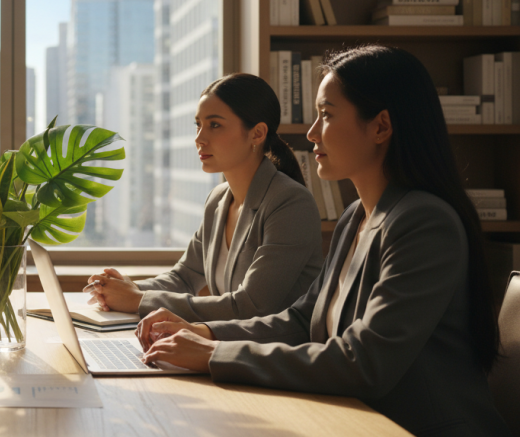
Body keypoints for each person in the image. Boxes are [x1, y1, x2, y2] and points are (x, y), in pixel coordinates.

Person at [138, 46, 510, 436]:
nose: (312, 132)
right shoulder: (355, 218)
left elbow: (363, 363)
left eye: (327, 115)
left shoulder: (424, 223)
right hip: (355, 420)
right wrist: (208, 333)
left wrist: (215, 354)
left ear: (381, 126)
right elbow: (302, 319)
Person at [87, 73, 323, 323]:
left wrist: (137, 300)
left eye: (215, 125)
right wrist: (124, 290)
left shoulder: (290, 203)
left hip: (275, 354)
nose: (199, 138)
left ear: (257, 134)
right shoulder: (218, 199)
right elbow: (184, 278)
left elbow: (250, 306)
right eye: (198, 125)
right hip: (223, 343)